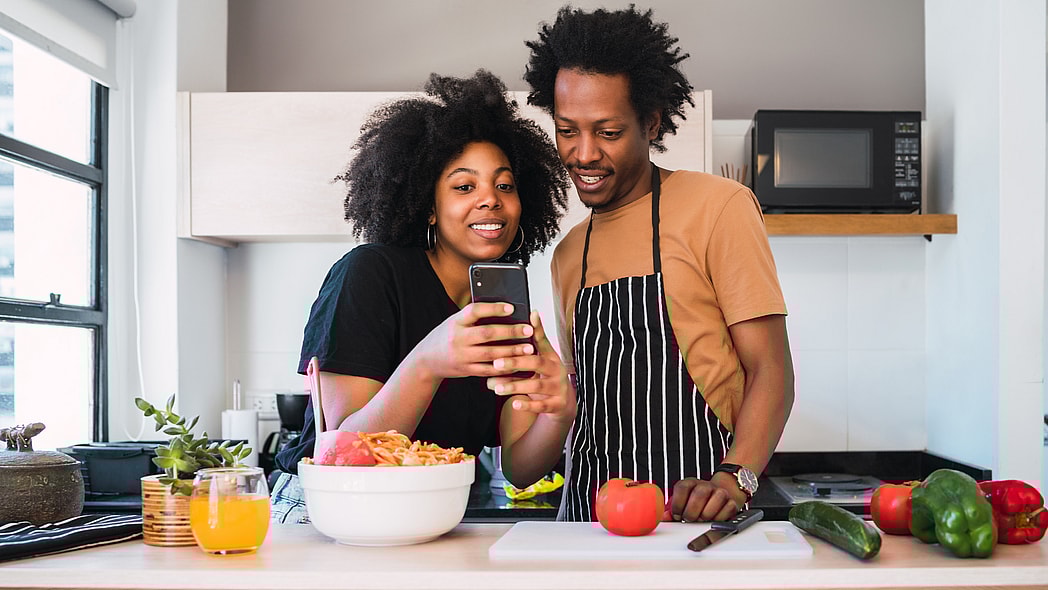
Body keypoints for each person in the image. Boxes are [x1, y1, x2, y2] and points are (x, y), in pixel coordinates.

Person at [524, 6, 795, 523]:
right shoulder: (567, 254)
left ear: (650, 123)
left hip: (698, 515)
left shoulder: (718, 207)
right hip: (586, 521)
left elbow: (772, 369)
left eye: (607, 132)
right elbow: (579, 393)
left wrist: (735, 477)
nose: (583, 154)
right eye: (567, 130)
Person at [271, 70, 576, 524]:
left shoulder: (501, 307)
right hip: (334, 513)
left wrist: (558, 411)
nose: (490, 200)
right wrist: (428, 362)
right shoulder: (370, 274)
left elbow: (519, 468)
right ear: (428, 206)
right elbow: (344, 450)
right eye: (464, 186)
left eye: (505, 185)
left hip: (434, 514)